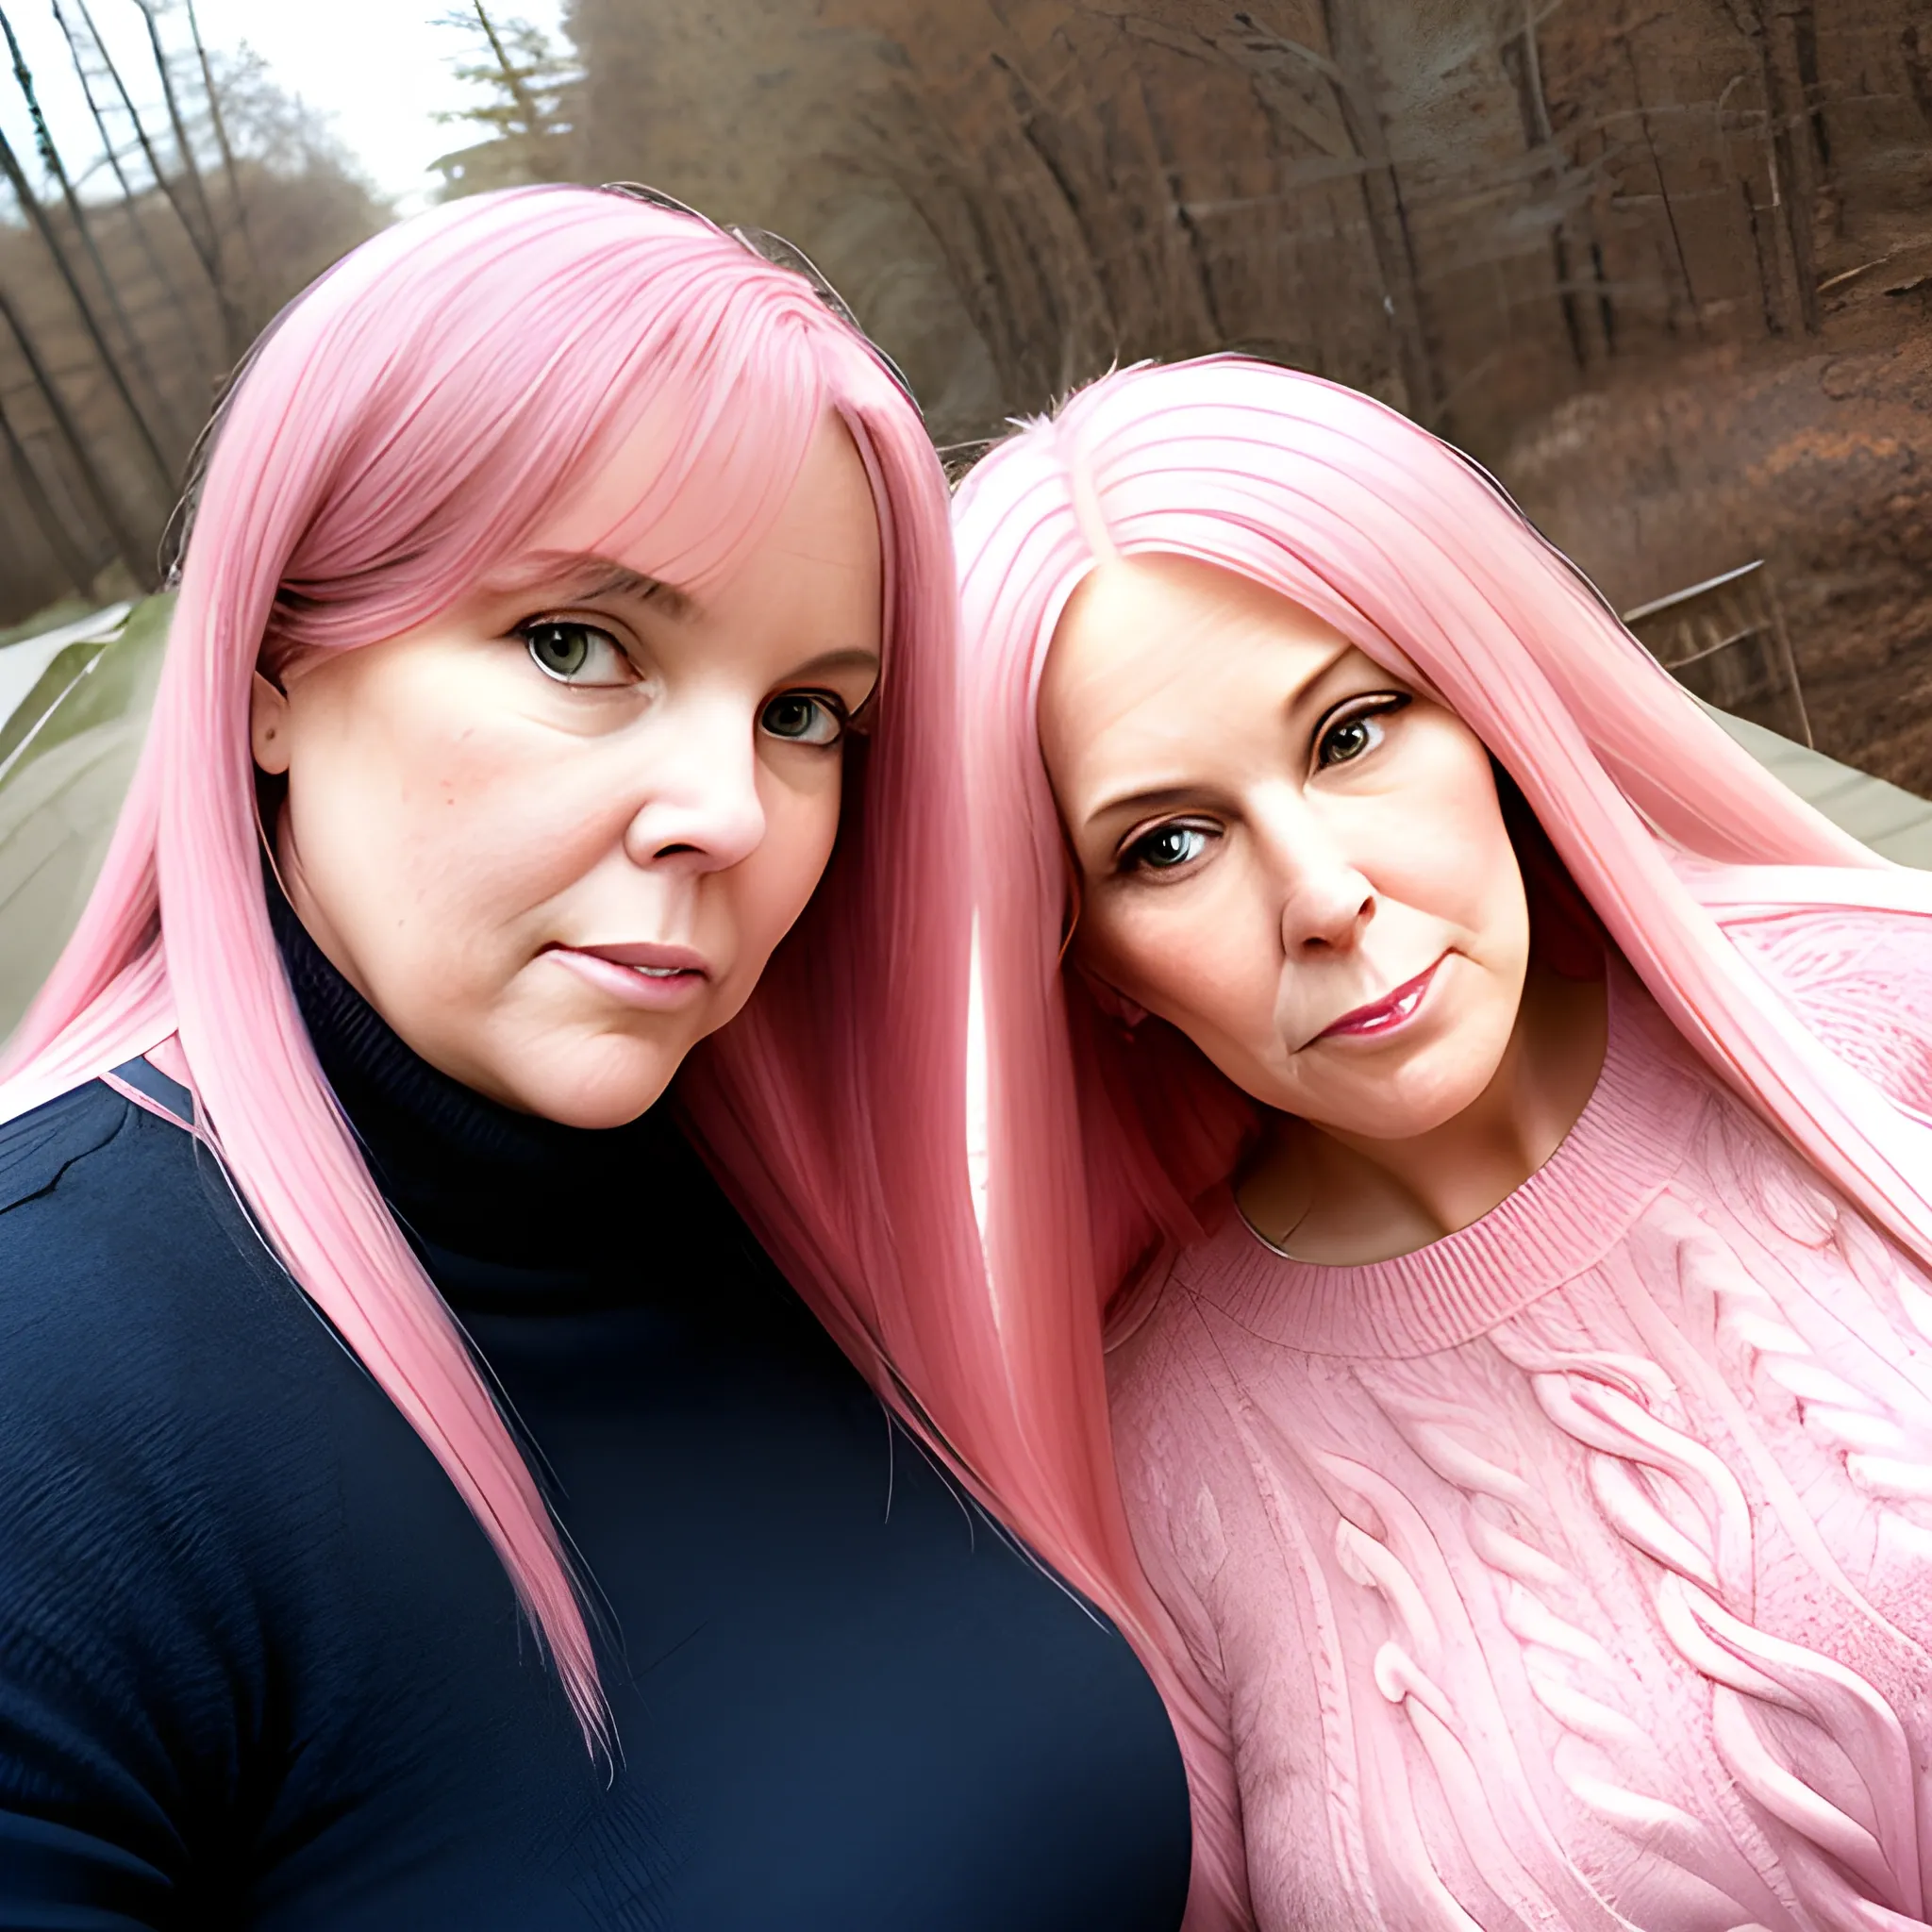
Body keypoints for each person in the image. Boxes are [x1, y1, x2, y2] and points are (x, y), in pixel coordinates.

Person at [0, 187, 1194, 1928]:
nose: (731, 812)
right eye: (580, 645)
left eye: (807, 714)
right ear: (266, 665)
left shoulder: (817, 1224)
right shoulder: (52, 1399)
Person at [953, 353, 1932, 1932]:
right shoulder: (1136, 1473)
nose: (1325, 893)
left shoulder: (1892, 1009)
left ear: (1486, 709)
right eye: (1169, 844)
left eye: (1350, 732)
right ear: (1094, 967)